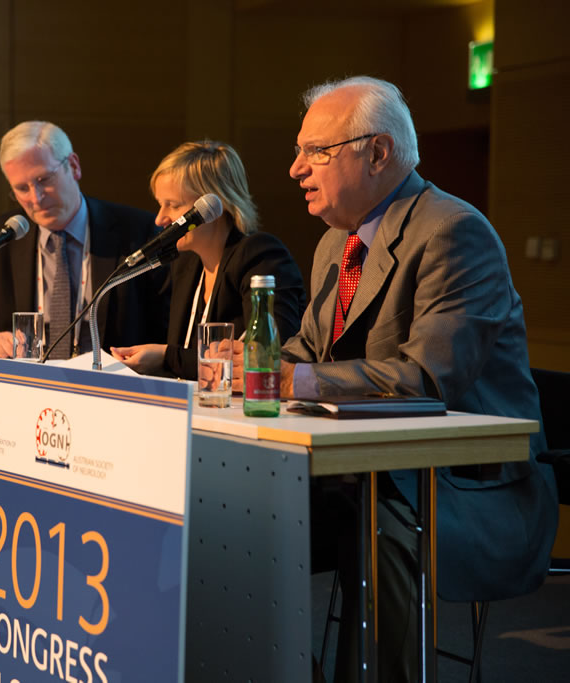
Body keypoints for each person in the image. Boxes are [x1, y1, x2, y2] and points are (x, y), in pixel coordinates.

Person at [237, 76, 558, 682]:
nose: (295, 169)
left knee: (377, 521)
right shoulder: (335, 244)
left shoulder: (454, 232)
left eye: (315, 152)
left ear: (378, 153)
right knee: (232, 511)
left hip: (462, 484)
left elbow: (427, 378)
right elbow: (305, 354)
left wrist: (294, 380)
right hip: (364, 473)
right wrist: (247, 363)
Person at [0, 121, 169, 359]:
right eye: (22, 188)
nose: (36, 198)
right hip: (26, 378)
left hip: (110, 377)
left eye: (44, 180)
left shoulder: (138, 231)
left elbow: (168, 327)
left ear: (74, 166)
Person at [110, 140, 305, 378]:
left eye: (173, 205)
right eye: (160, 205)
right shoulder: (186, 264)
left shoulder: (260, 256)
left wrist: (166, 357)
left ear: (214, 206)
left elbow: (269, 355)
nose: (160, 219)